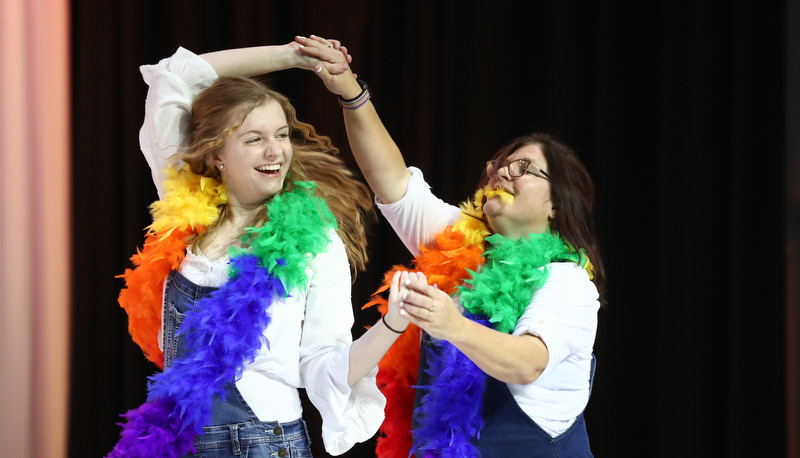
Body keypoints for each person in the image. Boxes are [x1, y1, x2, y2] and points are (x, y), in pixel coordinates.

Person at [297, 35, 605, 457]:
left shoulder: (567, 282)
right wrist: (351, 93)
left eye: (525, 168)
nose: (502, 173)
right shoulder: (459, 240)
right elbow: (391, 180)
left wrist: (454, 326)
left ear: (557, 205)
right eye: (498, 166)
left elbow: (529, 362)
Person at [108, 38, 412, 458]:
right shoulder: (189, 209)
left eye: (282, 135)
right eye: (254, 138)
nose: (275, 151)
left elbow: (325, 364)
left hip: (259, 444)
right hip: (174, 442)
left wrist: (391, 327)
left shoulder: (316, 244)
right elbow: (175, 76)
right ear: (218, 155)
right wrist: (294, 57)